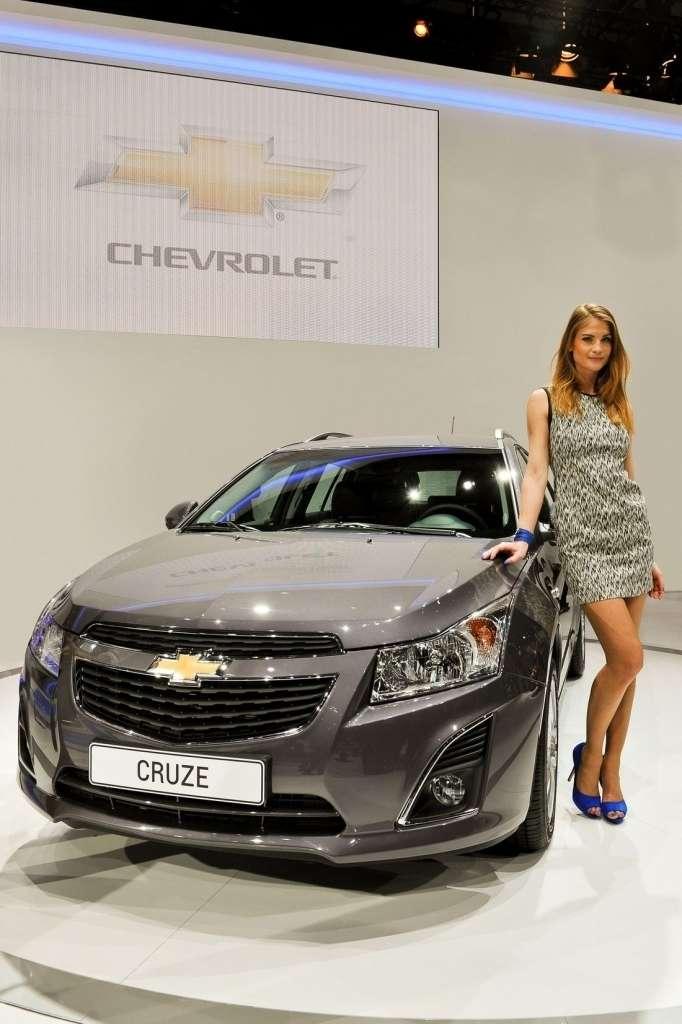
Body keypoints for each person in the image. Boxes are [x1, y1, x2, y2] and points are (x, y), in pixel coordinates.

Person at [481, 303, 665, 823]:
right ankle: (589, 760)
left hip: (631, 537)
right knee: (628, 658)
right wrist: (523, 534)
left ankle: (611, 772)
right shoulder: (544, 400)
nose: (597, 348)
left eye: (606, 340)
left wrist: (650, 555)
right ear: (570, 344)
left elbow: (627, 475)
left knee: (626, 671)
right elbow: (537, 470)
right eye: (588, 338)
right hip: (584, 541)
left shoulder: (618, 401)